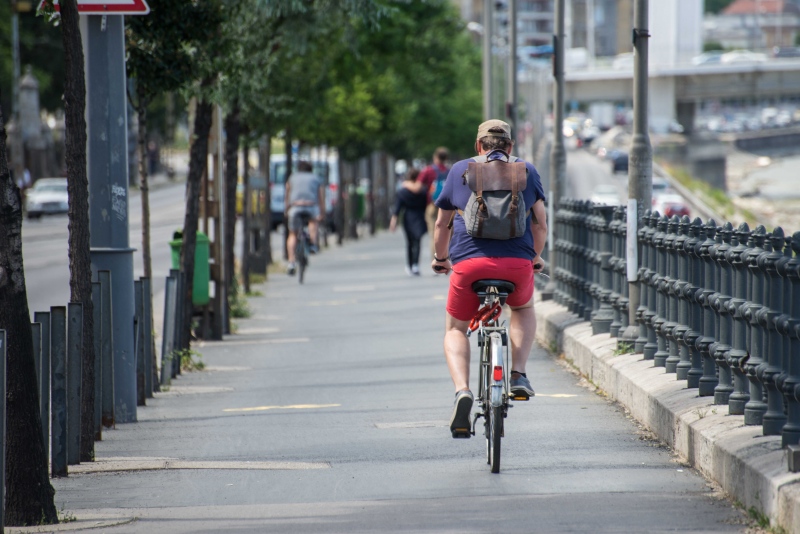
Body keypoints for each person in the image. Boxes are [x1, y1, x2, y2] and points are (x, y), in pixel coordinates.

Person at [431, 119, 547, 438]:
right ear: (509, 147)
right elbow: (539, 225)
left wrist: (441, 259)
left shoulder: (460, 170)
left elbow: (442, 225)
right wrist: (534, 257)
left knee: (455, 327)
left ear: (478, 146)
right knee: (522, 309)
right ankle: (518, 375)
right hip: (516, 265)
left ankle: (463, 391)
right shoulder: (527, 170)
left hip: (469, 266)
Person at [284, 160, 325, 276]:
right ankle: (312, 244)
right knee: (313, 222)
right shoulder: (316, 178)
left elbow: (287, 193)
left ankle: (291, 262)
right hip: (310, 206)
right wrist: (322, 212)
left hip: (295, 207)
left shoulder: (292, 178)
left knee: (292, 234)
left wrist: (286, 208)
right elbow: (320, 196)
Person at [410, 147, 449, 259]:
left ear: (435, 157)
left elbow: (417, 188)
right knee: (447, 233)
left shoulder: (428, 170)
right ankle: (447, 257)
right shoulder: (450, 171)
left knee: (433, 234)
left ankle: (436, 260)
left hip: (432, 205)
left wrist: (406, 184)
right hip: (448, 206)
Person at [389, 168, 428, 276]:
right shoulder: (423, 191)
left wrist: (393, 222)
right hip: (420, 216)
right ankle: (415, 265)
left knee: (409, 243)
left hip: (407, 217)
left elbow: (397, 208)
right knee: (417, 242)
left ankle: (409, 265)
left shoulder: (402, 192)